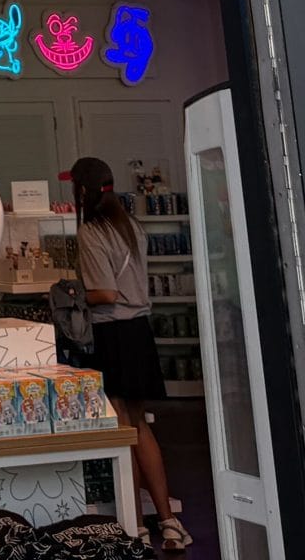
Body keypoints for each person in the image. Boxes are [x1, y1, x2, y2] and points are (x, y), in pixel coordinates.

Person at [70, 157, 187, 553]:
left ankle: (135, 527)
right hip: (140, 331)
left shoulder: (91, 231)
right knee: (140, 427)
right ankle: (169, 522)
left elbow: (105, 293)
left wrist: (71, 294)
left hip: (113, 333)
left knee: (122, 429)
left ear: (81, 190)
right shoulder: (131, 225)